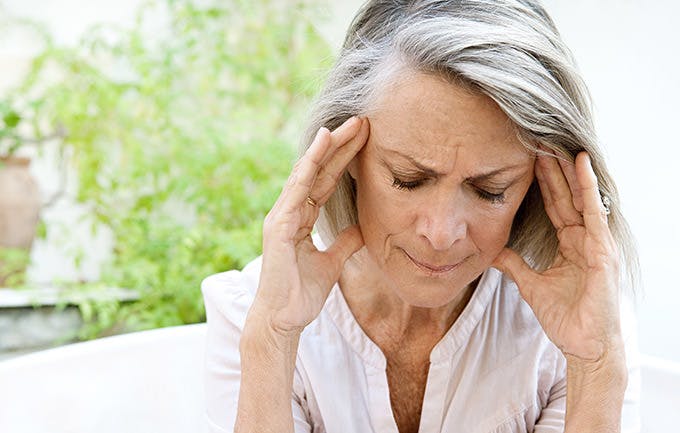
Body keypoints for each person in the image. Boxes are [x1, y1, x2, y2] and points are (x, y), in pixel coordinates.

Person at [202, 1, 641, 432]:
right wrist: (273, 340)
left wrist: (596, 366)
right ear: (345, 155)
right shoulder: (253, 313)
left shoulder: (581, 324)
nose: (441, 233)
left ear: (538, 185)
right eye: (409, 179)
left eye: (490, 190)